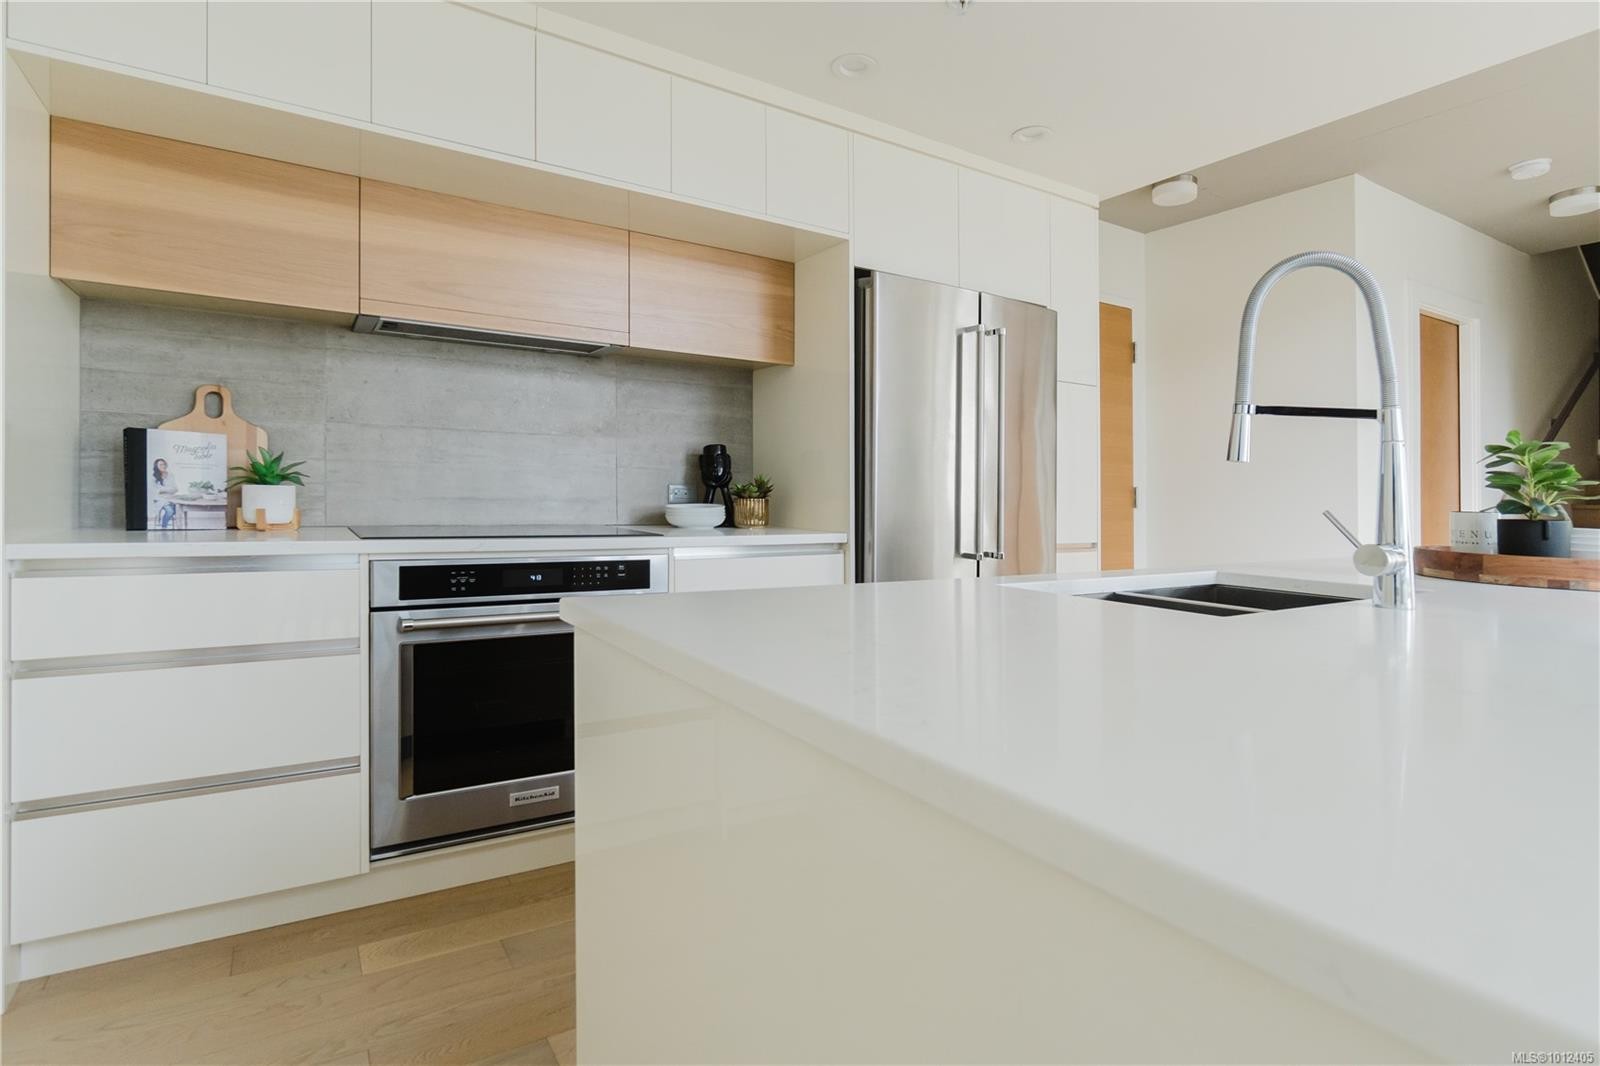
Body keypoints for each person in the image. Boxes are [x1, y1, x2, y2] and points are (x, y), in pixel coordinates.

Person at [151, 457, 178, 529]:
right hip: (160, 499)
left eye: (164, 464)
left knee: (178, 510)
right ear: (156, 466)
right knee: (170, 511)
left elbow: (175, 488)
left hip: (171, 498)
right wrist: (169, 489)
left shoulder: (170, 475)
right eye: (160, 465)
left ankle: (164, 522)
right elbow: (157, 491)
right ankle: (164, 527)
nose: (163, 466)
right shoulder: (154, 477)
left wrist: (164, 490)